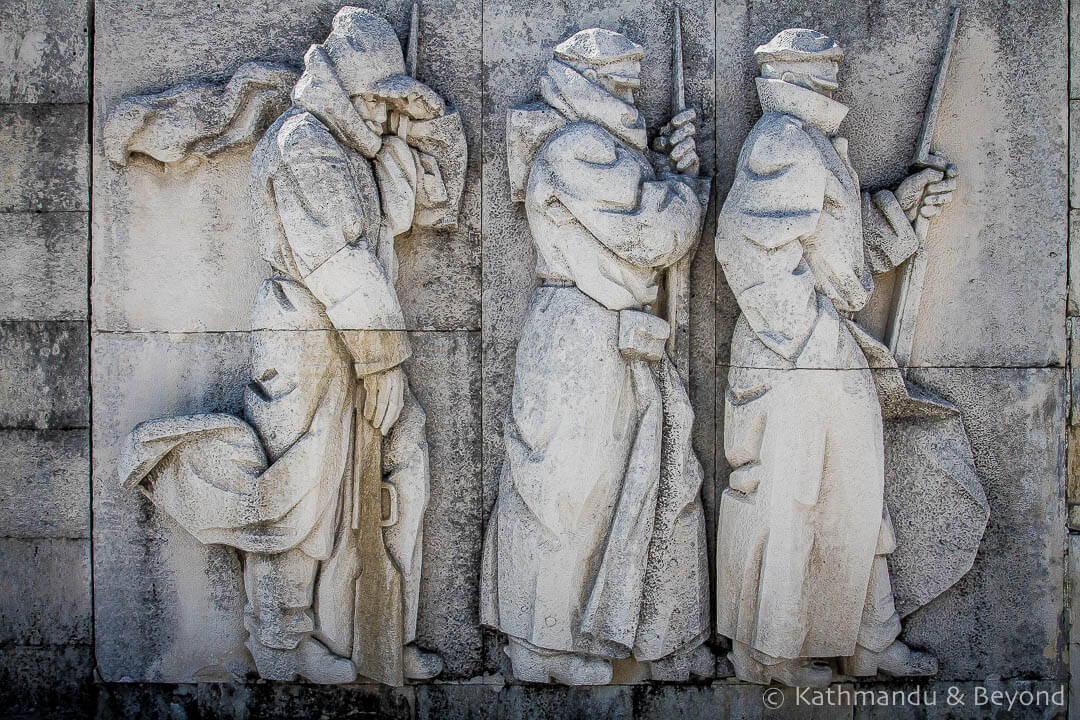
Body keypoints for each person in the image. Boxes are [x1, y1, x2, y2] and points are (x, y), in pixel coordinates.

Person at [713, 28, 957, 687]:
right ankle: (773, 651)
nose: (837, 71)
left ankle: (869, 638)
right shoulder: (786, 139)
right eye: (827, 65)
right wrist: (805, 332)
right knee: (791, 499)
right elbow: (744, 247)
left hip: (816, 344)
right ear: (803, 72)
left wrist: (897, 211)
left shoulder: (807, 140)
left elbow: (834, 248)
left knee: (853, 494)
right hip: (795, 350)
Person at [481, 28, 712, 685]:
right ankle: (541, 646)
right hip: (581, 335)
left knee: (630, 489)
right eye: (621, 81)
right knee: (563, 494)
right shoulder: (578, 144)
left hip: (612, 333)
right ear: (592, 81)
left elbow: (646, 215)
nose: (631, 95)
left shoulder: (601, 144)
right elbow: (651, 234)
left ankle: (599, 636)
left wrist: (669, 172)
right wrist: (683, 190)